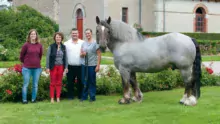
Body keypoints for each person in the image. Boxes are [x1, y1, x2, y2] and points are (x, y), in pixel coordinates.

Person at [20, 29, 43, 104]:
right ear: (29, 35)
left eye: (34, 34)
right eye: (31, 34)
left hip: (37, 68)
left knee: (35, 85)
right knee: (26, 84)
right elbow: (21, 56)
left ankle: (33, 99)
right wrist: (26, 63)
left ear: (36, 35)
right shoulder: (26, 45)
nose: (33, 35)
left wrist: (35, 62)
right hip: (27, 68)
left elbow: (40, 56)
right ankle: (24, 100)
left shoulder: (39, 45)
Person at [46, 32, 68, 103]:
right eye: (57, 37)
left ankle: (58, 97)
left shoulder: (63, 47)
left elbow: (66, 58)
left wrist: (66, 67)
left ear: (61, 38)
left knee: (59, 82)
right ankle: (52, 98)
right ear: (55, 38)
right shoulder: (51, 46)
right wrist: (47, 67)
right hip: (53, 67)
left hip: (61, 66)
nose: (58, 38)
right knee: (52, 83)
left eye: (59, 37)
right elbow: (47, 58)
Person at [80, 28, 101, 102]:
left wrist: (98, 65)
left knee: (92, 81)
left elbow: (99, 54)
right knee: (84, 81)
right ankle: (84, 96)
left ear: (91, 34)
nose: (87, 34)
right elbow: (81, 55)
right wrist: (83, 54)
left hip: (92, 65)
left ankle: (92, 97)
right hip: (84, 65)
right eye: (86, 33)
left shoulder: (95, 43)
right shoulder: (83, 43)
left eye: (88, 33)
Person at [64, 28, 84, 100]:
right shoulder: (66, 43)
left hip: (80, 66)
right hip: (70, 66)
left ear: (78, 34)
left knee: (81, 82)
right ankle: (70, 96)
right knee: (70, 82)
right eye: (73, 33)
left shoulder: (82, 43)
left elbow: (85, 53)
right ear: (71, 34)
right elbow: (65, 56)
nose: (74, 34)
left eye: (76, 33)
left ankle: (81, 96)